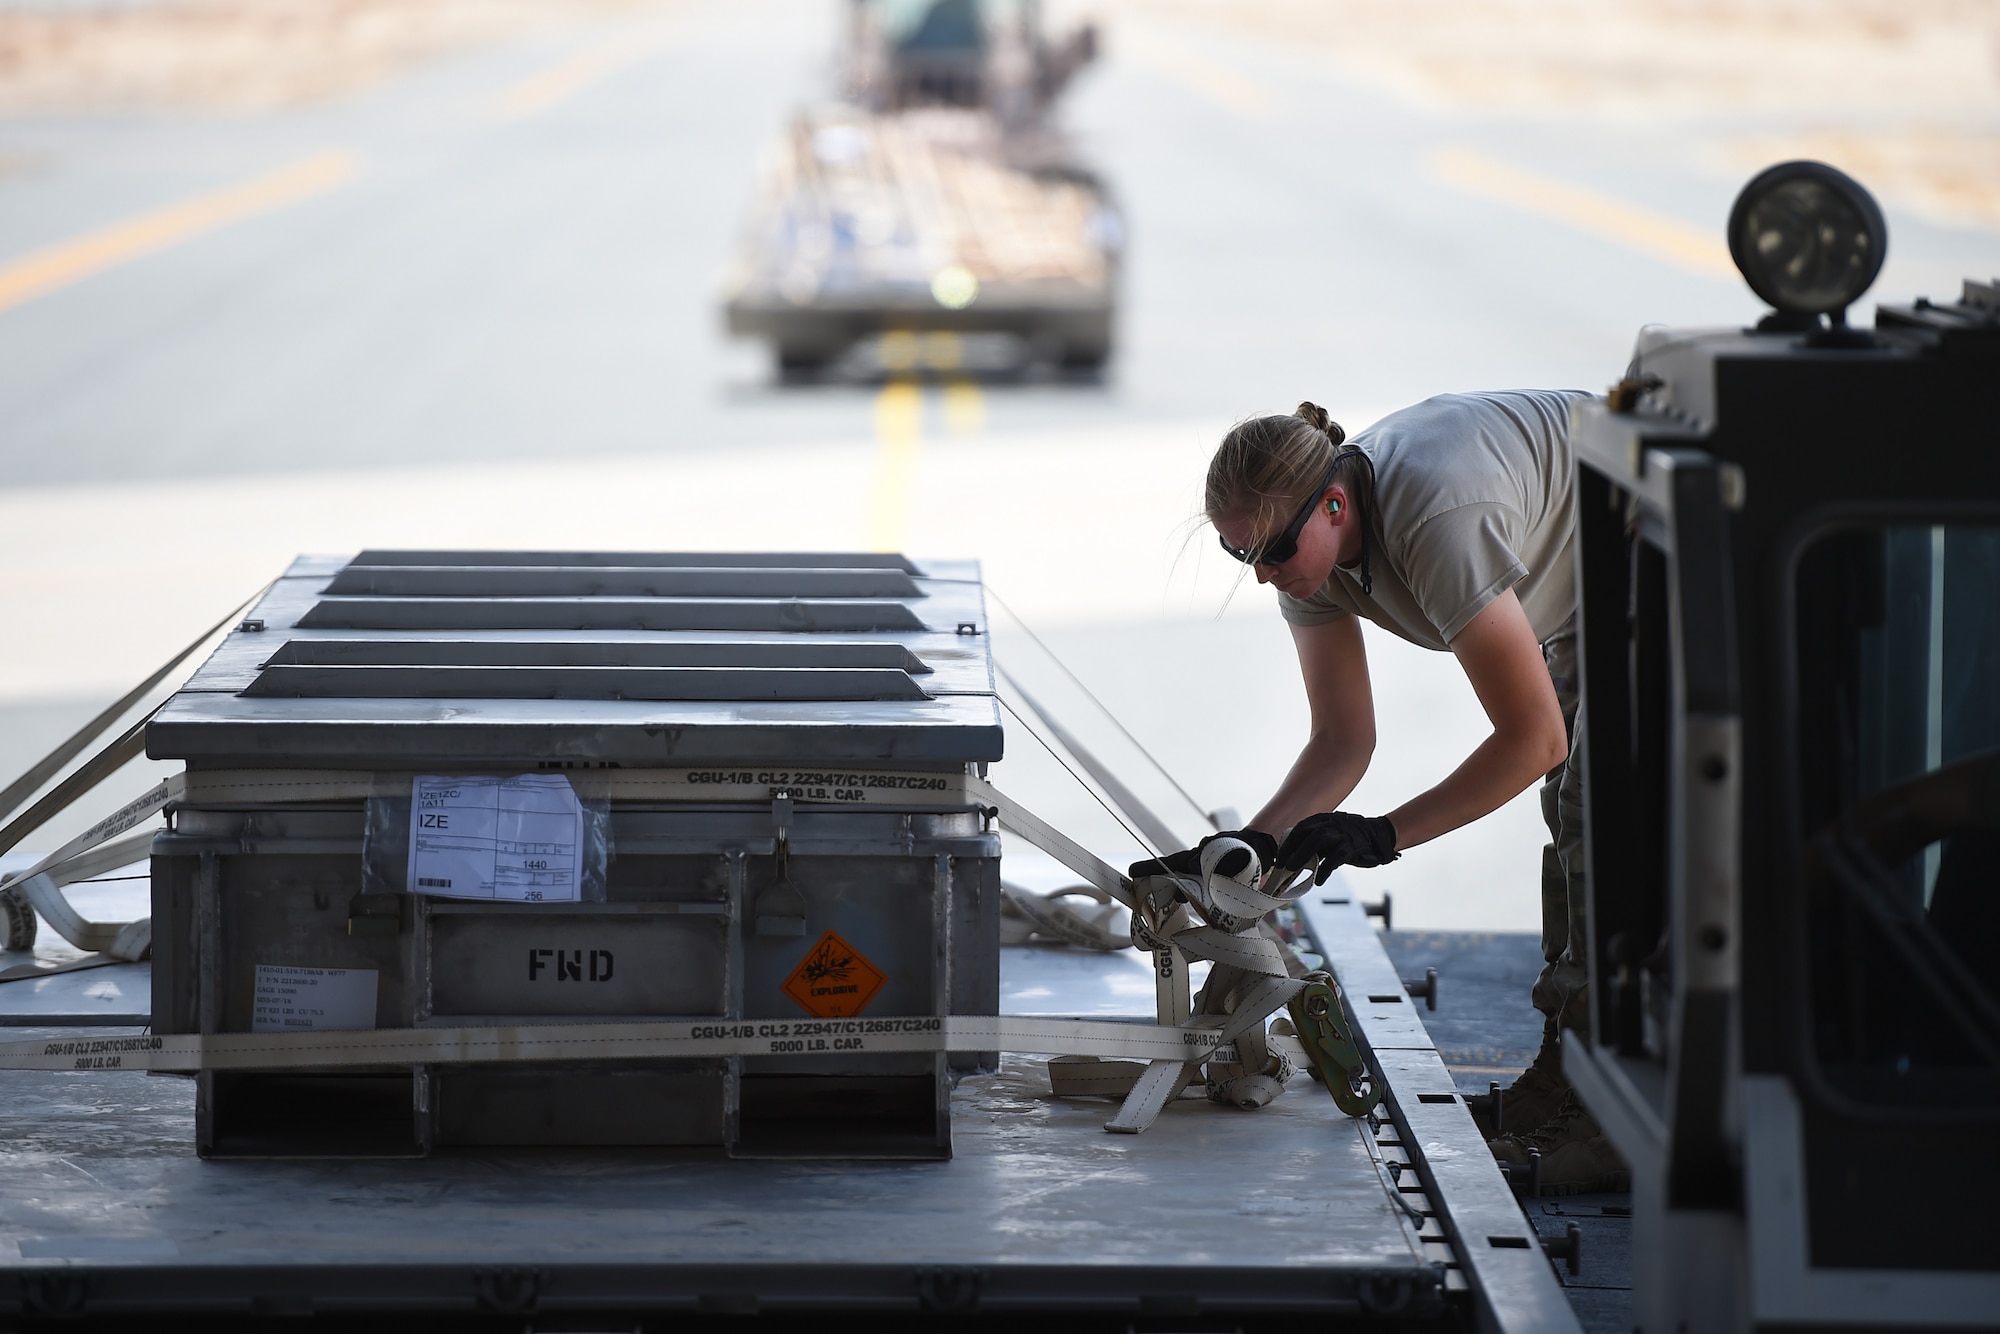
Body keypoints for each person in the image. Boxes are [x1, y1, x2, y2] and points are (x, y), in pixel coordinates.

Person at [1133, 392, 1624, 1191]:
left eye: (1272, 552)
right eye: (1239, 555)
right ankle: (1561, 1080)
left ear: (1333, 504)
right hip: (1573, 594)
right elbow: (1342, 741)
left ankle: (1611, 1128)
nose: (1262, 577)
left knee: (1606, 825)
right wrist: (1248, 850)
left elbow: (1533, 739)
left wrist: (1385, 834)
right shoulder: (1306, 549)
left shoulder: (1435, 523)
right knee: (1575, 829)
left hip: (1654, 556)